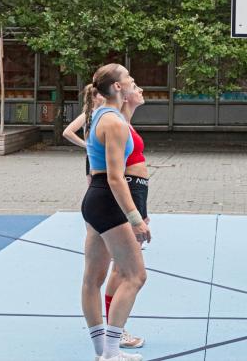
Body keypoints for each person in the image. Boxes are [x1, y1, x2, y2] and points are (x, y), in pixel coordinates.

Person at [80, 64, 149, 361]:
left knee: (92, 279)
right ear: (118, 87)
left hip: (95, 200)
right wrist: (136, 219)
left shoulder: (101, 115)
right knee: (135, 276)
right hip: (107, 200)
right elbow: (115, 177)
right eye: (130, 79)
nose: (134, 83)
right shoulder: (115, 123)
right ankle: (110, 352)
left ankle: (101, 352)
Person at [102, 81, 149, 350]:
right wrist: (134, 214)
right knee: (128, 271)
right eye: (135, 86)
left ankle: (113, 328)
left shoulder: (125, 122)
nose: (140, 89)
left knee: (120, 268)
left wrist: (143, 210)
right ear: (123, 94)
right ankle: (114, 332)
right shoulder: (117, 122)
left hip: (136, 194)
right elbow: (116, 174)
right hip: (129, 194)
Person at [63, 85, 106, 184]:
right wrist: (86, 144)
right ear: (93, 98)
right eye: (101, 94)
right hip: (93, 157)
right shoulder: (87, 115)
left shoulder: (107, 113)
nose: (104, 96)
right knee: (95, 188)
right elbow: (67, 132)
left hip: (107, 155)